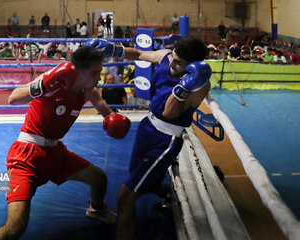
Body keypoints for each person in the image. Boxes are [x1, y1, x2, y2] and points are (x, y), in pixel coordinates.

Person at [0, 46, 131, 239]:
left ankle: (96, 209)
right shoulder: (53, 82)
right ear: (78, 72)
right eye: (95, 73)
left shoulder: (89, 91)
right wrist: (44, 84)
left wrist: (112, 119)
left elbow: (103, 108)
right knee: (15, 228)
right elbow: (12, 99)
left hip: (56, 153)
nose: (99, 77)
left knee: (99, 179)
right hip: (27, 154)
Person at [86, 37, 211, 240]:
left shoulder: (200, 86)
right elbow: (138, 54)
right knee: (140, 177)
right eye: (174, 57)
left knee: (125, 197)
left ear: (194, 66)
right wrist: (114, 50)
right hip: (148, 126)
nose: (173, 63)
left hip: (166, 139)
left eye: (179, 63)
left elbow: (170, 113)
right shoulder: (167, 57)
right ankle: (170, 194)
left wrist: (182, 88)